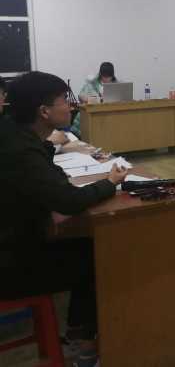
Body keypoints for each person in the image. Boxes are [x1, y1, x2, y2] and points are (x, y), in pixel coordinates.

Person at [0, 71, 128, 367]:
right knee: (99, 255)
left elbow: (51, 178)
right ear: (44, 112)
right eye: (63, 101)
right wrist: (109, 182)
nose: (71, 106)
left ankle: (78, 332)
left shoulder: (15, 136)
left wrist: (47, 146)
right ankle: (84, 347)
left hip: (13, 246)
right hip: (10, 265)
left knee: (85, 245)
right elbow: (68, 201)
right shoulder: (21, 151)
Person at [70, 62, 117, 137]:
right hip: (90, 115)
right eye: (104, 76)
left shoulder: (116, 85)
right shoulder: (92, 83)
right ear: (100, 74)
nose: (106, 79)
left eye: (109, 77)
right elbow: (81, 96)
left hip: (108, 117)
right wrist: (98, 99)